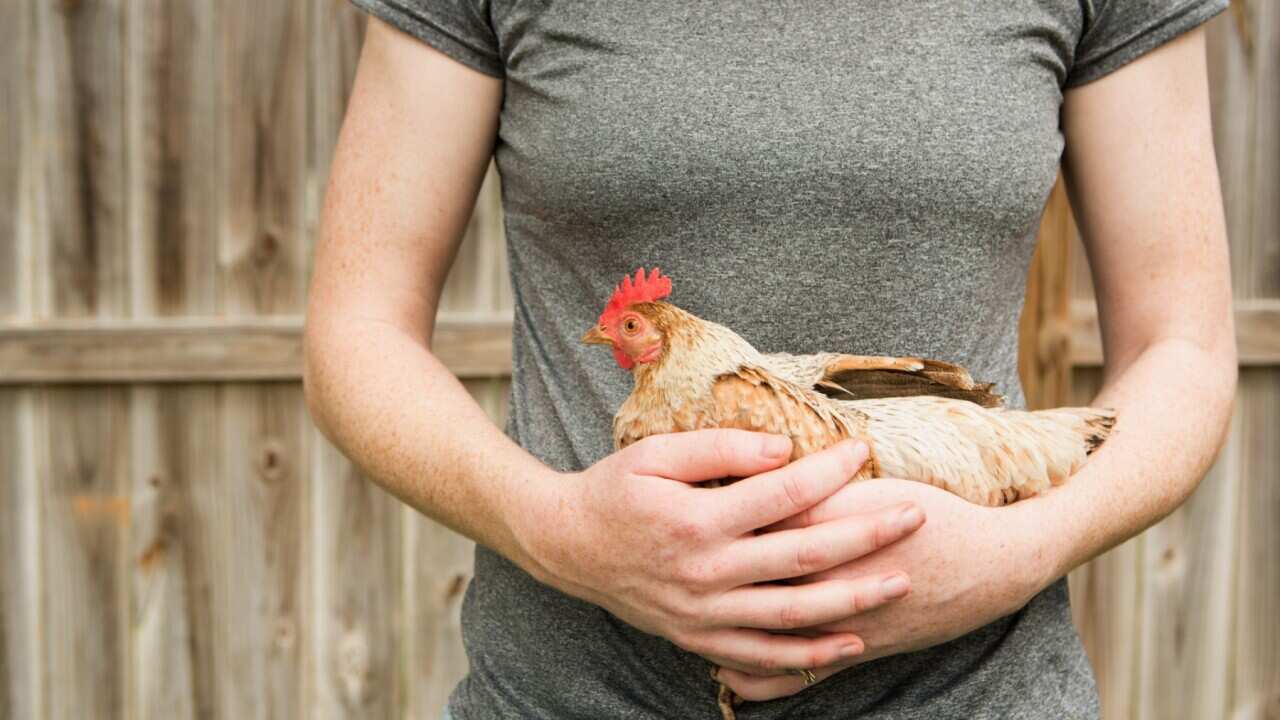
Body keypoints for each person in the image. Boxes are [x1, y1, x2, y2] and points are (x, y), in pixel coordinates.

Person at [303, 1, 1237, 717]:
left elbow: (1182, 344)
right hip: (570, 695)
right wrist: (557, 531)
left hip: (976, 693)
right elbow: (358, 329)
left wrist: (1018, 552)